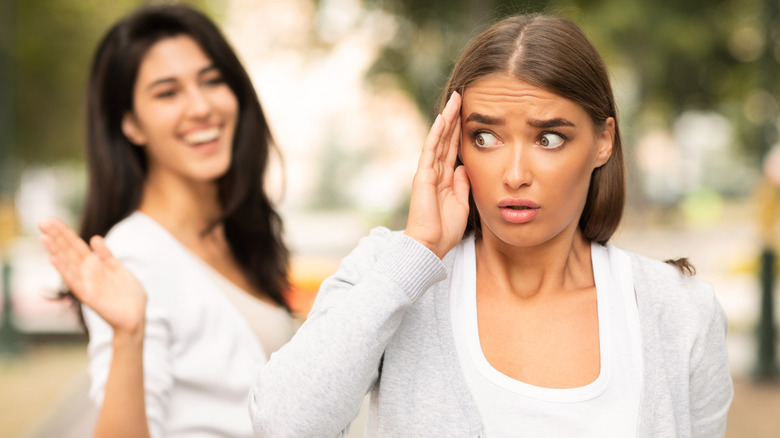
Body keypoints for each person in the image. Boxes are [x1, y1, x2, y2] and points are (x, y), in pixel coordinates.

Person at [248, 13, 733, 437]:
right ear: (452, 141)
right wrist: (417, 254)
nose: (515, 174)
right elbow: (282, 424)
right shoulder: (390, 272)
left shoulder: (679, 310)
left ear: (603, 141)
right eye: (484, 137)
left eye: (548, 138)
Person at [39, 4, 294, 438]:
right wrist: (128, 335)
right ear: (131, 124)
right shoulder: (132, 257)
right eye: (167, 92)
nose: (200, 107)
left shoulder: (236, 233)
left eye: (212, 81)